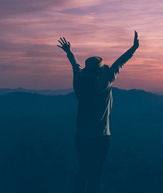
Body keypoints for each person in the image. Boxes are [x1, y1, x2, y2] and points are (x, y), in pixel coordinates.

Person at [57, 31, 140, 193]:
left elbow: (76, 67)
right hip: (101, 137)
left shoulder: (79, 82)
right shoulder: (105, 81)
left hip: (81, 135)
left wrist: (69, 51)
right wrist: (134, 48)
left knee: (82, 173)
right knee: (95, 176)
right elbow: (118, 64)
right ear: (101, 70)